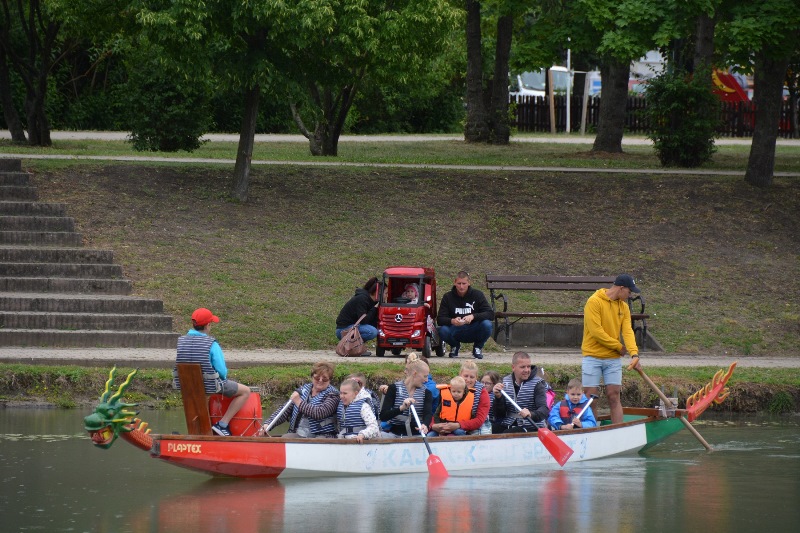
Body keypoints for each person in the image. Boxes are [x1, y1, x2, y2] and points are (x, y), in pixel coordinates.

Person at [173, 307, 251, 437]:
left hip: (187, 386)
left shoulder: (181, 341)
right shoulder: (212, 343)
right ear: (208, 325)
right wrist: (223, 377)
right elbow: (222, 371)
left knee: (200, 394)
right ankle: (222, 425)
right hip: (209, 386)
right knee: (245, 391)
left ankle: (196, 431)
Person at [582, 274, 642, 425]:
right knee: (590, 398)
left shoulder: (624, 307)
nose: (630, 295)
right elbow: (596, 332)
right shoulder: (594, 302)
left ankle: (618, 431)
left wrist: (634, 354)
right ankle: (591, 431)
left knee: (614, 396)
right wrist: (618, 346)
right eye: (629, 291)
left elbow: (627, 331)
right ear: (621, 288)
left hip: (612, 359)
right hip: (592, 356)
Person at [261, 361, 339, 438]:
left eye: (325, 379)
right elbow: (284, 410)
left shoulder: (333, 395)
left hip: (322, 435)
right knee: (286, 437)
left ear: (330, 380)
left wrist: (298, 402)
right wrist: (268, 424)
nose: (320, 380)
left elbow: (320, 412)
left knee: (319, 440)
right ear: (312, 377)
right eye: (317, 378)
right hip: (299, 433)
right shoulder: (303, 390)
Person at [437, 271, 494, 359]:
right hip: (456, 329)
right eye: (459, 283)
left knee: (487, 324)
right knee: (442, 330)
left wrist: (473, 316)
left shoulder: (477, 295)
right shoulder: (447, 297)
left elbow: (490, 314)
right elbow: (440, 319)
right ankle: (454, 346)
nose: (461, 286)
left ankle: (478, 347)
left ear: (469, 283)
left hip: (474, 328)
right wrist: (452, 321)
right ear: (455, 283)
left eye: (464, 283)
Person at [492, 351, 549, 433]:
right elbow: (499, 414)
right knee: (491, 430)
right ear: (513, 367)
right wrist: (498, 398)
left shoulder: (538, 384)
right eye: (522, 367)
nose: (527, 370)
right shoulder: (505, 382)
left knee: (509, 433)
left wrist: (531, 414)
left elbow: (544, 410)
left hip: (531, 427)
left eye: (528, 366)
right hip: (508, 424)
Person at [430, 360, 490, 436]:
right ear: (460, 375)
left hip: (472, 427)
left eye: (472, 377)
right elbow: (435, 411)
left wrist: (458, 425)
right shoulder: (452, 388)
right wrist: (434, 425)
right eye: (466, 376)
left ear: (476, 377)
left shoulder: (482, 392)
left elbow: (479, 420)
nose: (468, 380)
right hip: (446, 425)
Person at [379, 359, 433, 437]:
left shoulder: (427, 393)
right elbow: (383, 416)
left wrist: (425, 424)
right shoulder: (394, 388)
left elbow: (428, 414)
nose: (426, 380)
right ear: (415, 373)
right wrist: (402, 408)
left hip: (417, 435)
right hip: (395, 434)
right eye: (425, 376)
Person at [335, 277, 380, 357]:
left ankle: (355, 348)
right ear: (377, 293)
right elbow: (363, 320)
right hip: (343, 330)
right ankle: (352, 347)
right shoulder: (362, 299)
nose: (386, 295)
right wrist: (374, 309)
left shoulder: (370, 301)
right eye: (385, 293)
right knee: (372, 331)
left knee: (374, 329)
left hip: (353, 328)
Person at [336, 378, 380, 442]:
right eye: (341, 393)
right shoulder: (341, 405)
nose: (342, 396)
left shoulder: (363, 406)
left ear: (355, 393)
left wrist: (362, 435)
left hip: (360, 441)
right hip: (345, 441)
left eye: (345, 393)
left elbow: (374, 427)